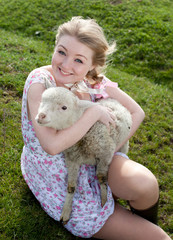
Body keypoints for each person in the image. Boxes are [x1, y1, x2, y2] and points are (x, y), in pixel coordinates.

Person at [21, 16, 171, 240]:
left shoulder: (92, 82)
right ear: (54, 47)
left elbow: (137, 112)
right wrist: (93, 113)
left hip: (93, 161)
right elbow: (51, 146)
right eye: (61, 52)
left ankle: (143, 225)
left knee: (145, 185)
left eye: (79, 60)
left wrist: (108, 149)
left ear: (92, 65)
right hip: (62, 179)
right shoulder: (40, 84)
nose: (66, 64)